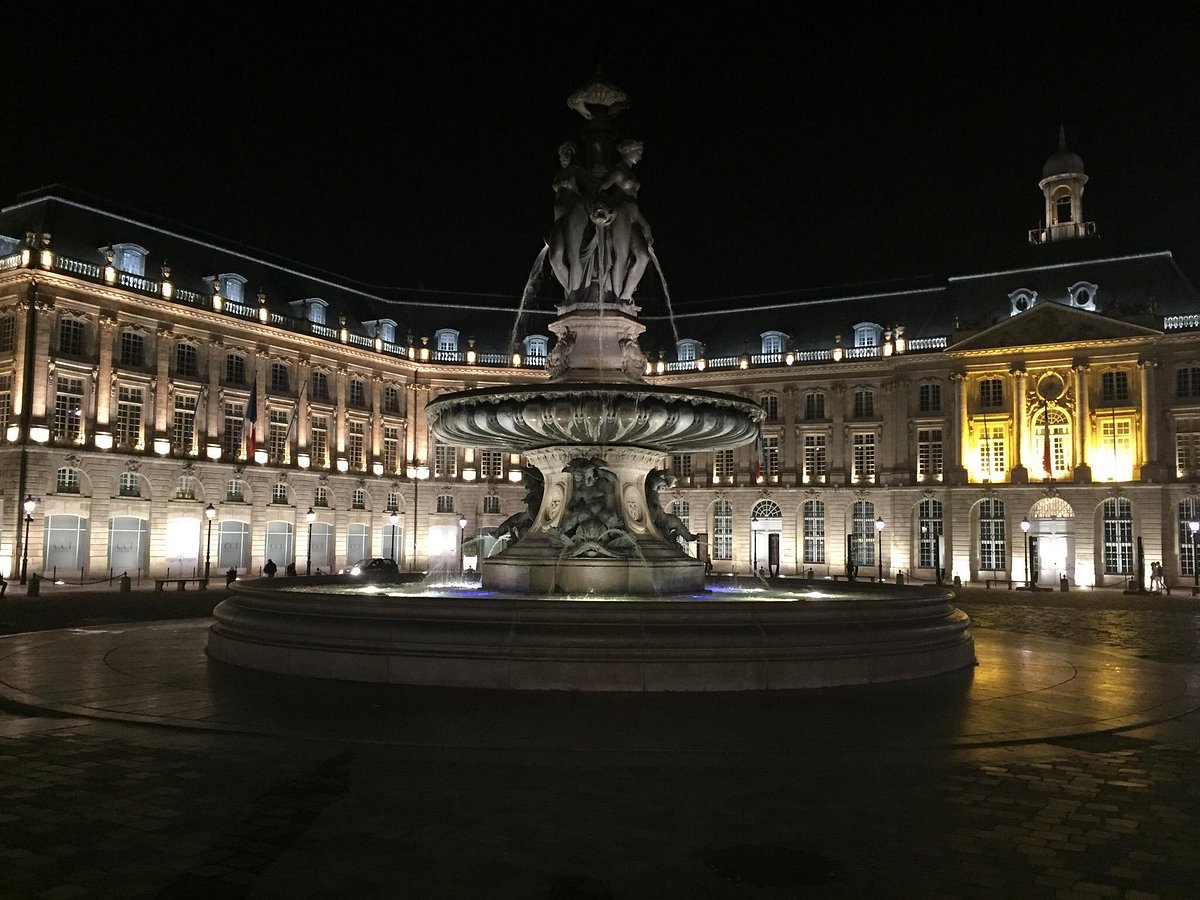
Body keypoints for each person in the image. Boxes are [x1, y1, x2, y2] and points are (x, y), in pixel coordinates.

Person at [597, 138, 653, 301]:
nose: (641, 156)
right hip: (621, 213)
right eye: (639, 151)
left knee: (643, 256)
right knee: (621, 256)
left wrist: (645, 225)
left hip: (634, 214)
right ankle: (616, 299)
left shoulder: (630, 173)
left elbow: (633, 201)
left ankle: (626, 294)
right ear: (628, 151)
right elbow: (600, 189)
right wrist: (607, 208)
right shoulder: (618, 172)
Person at [547, 141, 589, 297]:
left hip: (574, 213)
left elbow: (590, 192)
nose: (564, 156)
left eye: (567, 152)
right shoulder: (559, 174)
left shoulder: (577, 171)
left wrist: (575, 190)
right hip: (559, 216)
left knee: (573, 255)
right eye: (562, 153)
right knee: (555, 257)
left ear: (573, 154)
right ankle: (571, 292)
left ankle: (574, 296)